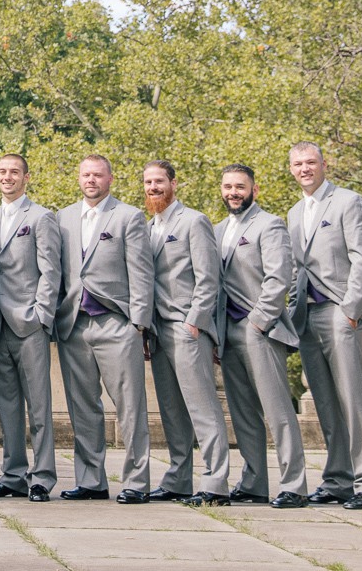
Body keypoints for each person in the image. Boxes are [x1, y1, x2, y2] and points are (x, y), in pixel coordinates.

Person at [287, 142, 362, 510]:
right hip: (308, 317)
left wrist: (352, 310)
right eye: (298, 164)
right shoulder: (295, 212)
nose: (305, 169)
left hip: (340, 312)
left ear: (324, 165)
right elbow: (298, 270)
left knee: (353, 401)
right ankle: (338, 480)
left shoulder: (349, 201)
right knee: (325, 403)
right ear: (291, 169)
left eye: (310, 162)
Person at [52, 154, 153, 504]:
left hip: (116, 323)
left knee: (130, 408)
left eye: (97, 175)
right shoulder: (62, 218)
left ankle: (137, 482)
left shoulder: (128, 217)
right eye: (85, 175)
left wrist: (138, 324)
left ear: (110, 179)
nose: (91, 180)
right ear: (78, 179)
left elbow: (141, 273)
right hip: (74, 325)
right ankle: (91, 481)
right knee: (82, 408)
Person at [214, 163, 308, 508]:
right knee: (242, 412)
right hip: (227, 331)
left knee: (277, 411)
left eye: (240, 187)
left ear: (254, 190)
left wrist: (258, 322)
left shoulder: (270, 225)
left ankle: (295, 485)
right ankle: (254, 482)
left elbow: (279, 278)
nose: (233, 193)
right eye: (227, 187)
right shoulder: (218, 229)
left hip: (261, 330)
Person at [141, 160, 231, 506]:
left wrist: (195, 321)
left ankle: (215, 483)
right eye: (148, 182)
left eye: (159, 181)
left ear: (174, 184)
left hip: (187, 328)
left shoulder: (194, 221)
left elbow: (209, 278)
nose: (153, 187)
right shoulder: (147, 227)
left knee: (202, 408)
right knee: (172, 410)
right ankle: (178, 479)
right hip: (158, 331)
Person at [0, 152, 61, 502]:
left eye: (14, 172)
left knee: (39, 405)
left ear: (26, 177)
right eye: (2, 171)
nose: (7, 177)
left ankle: (42, 476)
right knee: (7, 406)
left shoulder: (42, 218)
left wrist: (42, 316)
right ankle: (13, 475)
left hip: (29, 324)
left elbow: (51, 271)